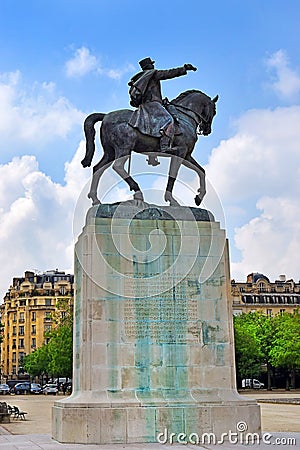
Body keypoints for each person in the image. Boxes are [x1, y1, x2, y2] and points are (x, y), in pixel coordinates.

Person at [128, 57, 197, 166]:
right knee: (168, 120)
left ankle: (152, 156)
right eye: (151, 64)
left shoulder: (141, 78)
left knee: (154, 125)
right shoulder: (153, 74)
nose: (153, 66)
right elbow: (169, 73)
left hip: (146, 105)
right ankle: (165, 146)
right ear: (149, 66)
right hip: (153, 105)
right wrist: (184, 69)